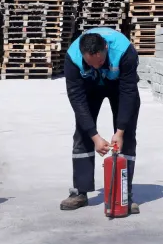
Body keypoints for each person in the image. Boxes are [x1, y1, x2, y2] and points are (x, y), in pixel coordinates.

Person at [60, 27, 141, 213]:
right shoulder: (73, 57)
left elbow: (129, 92)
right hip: (90, 86)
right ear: (83, 55)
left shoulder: (125, 52)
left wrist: (119, 131)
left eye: (100, 61)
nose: (96, 65)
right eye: (91, 63)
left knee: (127, 135)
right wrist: (94, 136)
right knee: (82, 133)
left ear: (105, 48)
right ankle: (80, 192)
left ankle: (124, 194)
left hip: (119, 86)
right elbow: (77, 99)